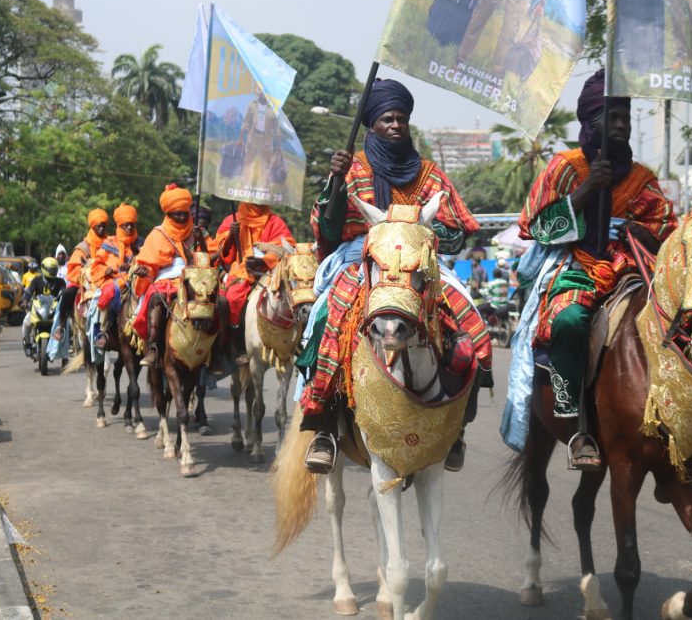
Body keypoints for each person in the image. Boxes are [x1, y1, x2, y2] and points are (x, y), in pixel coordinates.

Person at [299, 78, 490, 474]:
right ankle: (324, 427)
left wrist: (422, 233)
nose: (396, 125)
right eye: (387, 118)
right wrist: (335, 183)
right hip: (361, 260)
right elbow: (328, 231)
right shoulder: (351, 169)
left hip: (420, 264)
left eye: (402, 118)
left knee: (472, 325)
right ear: (372, 124)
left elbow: (457, 233)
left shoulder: (430, 175)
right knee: (325, 321)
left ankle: (457, 428)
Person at [511, 68, 678, 470]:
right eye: (613, 118)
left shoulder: (642, 178)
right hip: (577, 265)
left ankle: (684, 421)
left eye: (626, 118)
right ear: (591, 122)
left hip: (631, 268)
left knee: (678, 318)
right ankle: (574, 424)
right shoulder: (565, 167)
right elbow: (534, 226)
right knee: (568, 320)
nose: (622, 125)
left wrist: (638, 229)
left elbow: (664, 227)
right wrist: (587, 190)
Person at [132, 184, 205, 368]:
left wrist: (201, 241)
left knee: (215, 301)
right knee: (156, 297)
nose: (181, 217)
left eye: (184, 213)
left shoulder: (197, 232)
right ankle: (153, 348)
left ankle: (214, 349)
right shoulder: (158, 234)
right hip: (165, 281)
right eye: (176, 213)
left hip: (194, 278)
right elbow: (149, 265)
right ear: (168, 214)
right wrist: (144, 271)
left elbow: (210, 258)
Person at [215, 202, 294, 365]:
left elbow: (287, 247)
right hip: (241, 270)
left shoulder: (275, 221)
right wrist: (231, 235)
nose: (258, 203)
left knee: (294, 295)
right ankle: (237, 346)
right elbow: (223, 255)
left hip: (269, 270)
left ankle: (296, 340)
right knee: (233, 298)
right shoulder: (232, 219)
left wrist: (263, 261)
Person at [88, 204, 140, 349]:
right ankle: (102, 331)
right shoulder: (110, 243)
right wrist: (107, 270)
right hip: (115, 279)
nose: (129, 228)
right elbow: (96, 266)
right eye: (125, 225)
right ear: (119, 225)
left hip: (136, 279)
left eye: (131, 225)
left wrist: (131, 267)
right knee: (109, 291)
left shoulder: (140, 243)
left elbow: (147, 260)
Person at [54, 209, 109, 340]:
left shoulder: (110, 243)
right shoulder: (83, 247)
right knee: (66, 294)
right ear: (92, 226)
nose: (101, 229)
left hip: (105, 281)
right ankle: (61, 327)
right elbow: (74, 269)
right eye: (98, 226)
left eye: (103, 226)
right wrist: (89, 272)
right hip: (84, 283)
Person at [22, 257, 66, 356]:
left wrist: (65, 296)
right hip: (38, 310)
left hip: (54, 311)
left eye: (54, 270)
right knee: (26, 322)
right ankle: (27, 343)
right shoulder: (37, 280)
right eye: (51, 270)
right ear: (44, 268)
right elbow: (29, 291)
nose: (53, 272)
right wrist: (25, 301)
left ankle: (67, 349)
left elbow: (64, 291)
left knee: (68, 326)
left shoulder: (60, 281)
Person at [239, 87, 283, 184]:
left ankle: (264, 185)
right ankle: (244, 182)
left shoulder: (273, 107)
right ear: (257, 91)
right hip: (253, 136)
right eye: (260, 90)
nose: (262, 93)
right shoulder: (252, 105)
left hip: (267, 139)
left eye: (264, 91)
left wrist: (279, 144)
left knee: (266, 162)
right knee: (248, 160)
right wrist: (241, 138)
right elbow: (246, 122)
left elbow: (277, 128)